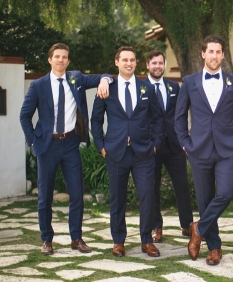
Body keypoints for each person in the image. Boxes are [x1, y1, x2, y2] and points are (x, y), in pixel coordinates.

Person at [19, 43, 110, 255]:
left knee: (77, 194)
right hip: (47, 145)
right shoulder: (38, 85)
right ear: (50, 59)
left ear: (68, 61)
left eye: (65, 57)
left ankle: (76, 238)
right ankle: (46, 240)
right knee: (45, 197)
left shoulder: (76, 79)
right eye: (57, 56)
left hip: (70, 144)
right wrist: (33, 140)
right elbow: (24, 115)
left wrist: (105, 80)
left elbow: (103, 76)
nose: (61, 60)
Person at [175, 34, 233, 266]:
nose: (214, 56)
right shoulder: (189, 82)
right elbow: (179, 118)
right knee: (205, 200)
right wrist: (186, 144)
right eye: (211, 51)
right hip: (199, 149)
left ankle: (199, 227)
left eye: (219, 52)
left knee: (226, 192)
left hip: (228, 149)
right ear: (203, 54)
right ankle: (214, 248)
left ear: (223, 55)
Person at [91, 46, 163, 258]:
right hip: (115, 151)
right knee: (117, 198)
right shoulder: (106, 88)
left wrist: (155, 143)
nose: (129, 63)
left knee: (147, 196)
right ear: (117, 62)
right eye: (124, 60)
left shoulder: (146, 88)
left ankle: (146, 240)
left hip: (143, 152)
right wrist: (101, 146)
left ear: (136, 63)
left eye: (132, 60)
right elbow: (96, 120)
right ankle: (118, 241)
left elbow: (158, 118)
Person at [144, 50, 193, 242]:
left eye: (160, 63)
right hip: (151, 146)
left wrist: (184, 139)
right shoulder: (141, 87)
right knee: (152, 187)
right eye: (154, 63)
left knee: (182, 185)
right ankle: (157, 227)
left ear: (164, 65)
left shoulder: (174, 87)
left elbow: (179, 114)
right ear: (147, 65)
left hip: (174, 145)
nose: (157, 66)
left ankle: (187, 225)